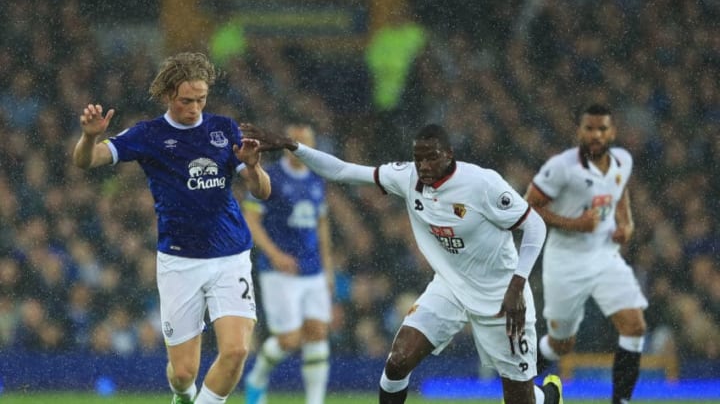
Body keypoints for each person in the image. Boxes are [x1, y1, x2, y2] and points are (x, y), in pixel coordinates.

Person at [243, 122, 563, 404]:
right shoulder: (407, 177)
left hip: (501, 293)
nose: (423, 165)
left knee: (520, 399)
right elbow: (342, 170)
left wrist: (518, 285)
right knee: (398, 360)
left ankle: (547, 396)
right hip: (450, 287)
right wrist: (292, 146)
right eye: (418, 157)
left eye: (431, 157)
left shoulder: (482, 184)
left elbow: (534, 225)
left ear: (449, 155)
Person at [71, 52, 271, 404]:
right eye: (186, 101)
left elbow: (263, 191)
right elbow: (87, 161)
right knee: (182, 374)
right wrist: (89, 138)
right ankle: (183, 395)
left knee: (237, 350)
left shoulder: (225, 129)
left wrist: (254, 168)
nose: (194, 108)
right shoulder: (149, 134)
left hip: (231, 256)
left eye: (201, 99)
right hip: (179, 262)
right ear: (167, 95)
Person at [525, 104, 648, 404]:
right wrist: (575, 224)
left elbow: (619, 189)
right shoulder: (561, 168)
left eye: (602, 129)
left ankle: (621, 401)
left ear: (612, 132)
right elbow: (528, 207)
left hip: (605, 255)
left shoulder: (622, 161)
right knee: (561, 344)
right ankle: (520, 386)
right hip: (565, 261)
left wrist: (626, 222)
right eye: (589, 128)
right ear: (579, 132)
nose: (596, 135)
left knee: (635, 326)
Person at [242, 124, 333, 404]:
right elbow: (251, 219)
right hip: (280, 272)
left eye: (308, 141)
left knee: (317, 332)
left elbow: (321, 225)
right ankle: (257, 377)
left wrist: (328, 268)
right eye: (298, 142)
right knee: (290, 340)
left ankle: (315, 401)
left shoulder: (317, 178)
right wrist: (274, 254)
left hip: (313, 269)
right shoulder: (273, 177)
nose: (303, 147)